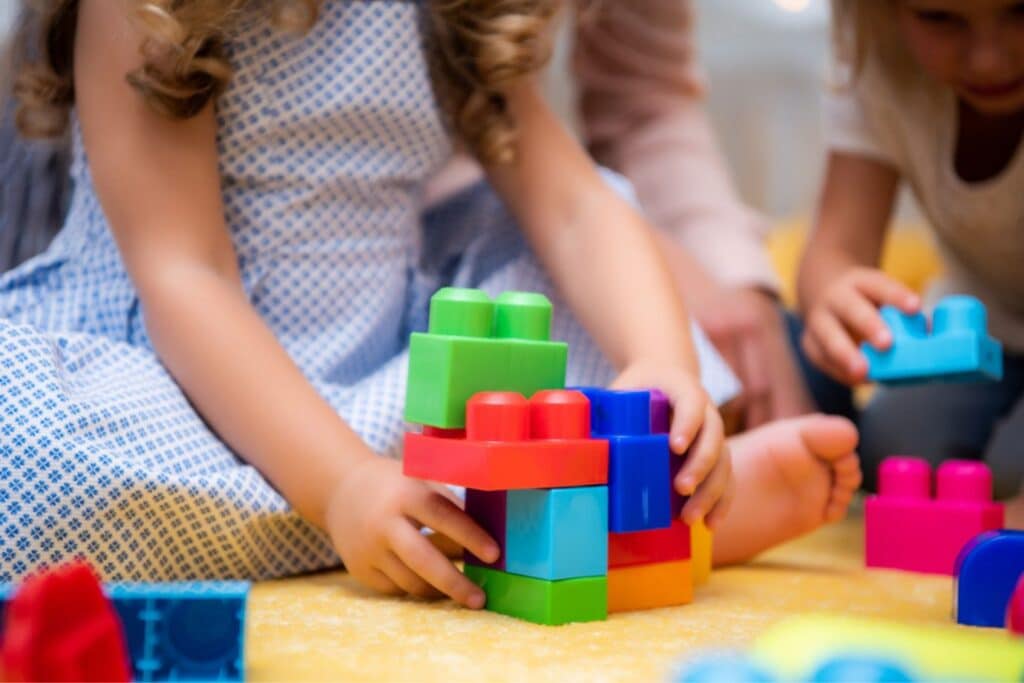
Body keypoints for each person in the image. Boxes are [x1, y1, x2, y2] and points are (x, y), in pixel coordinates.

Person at [0, 0, 858, 600]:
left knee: (553, 292)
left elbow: (574, 206)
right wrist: (340, 489)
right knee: (22, 440)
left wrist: (660, 364)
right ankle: (567, 531)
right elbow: (184, 277)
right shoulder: (153, 8)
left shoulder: (448, 9)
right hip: (178, 386)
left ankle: (609, 493)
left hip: (397, 392)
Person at [426, 0, 818, 433]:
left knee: (806, 372)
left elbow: (643, 103)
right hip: (473, 226)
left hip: (561, 198)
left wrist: (731, 280)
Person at [799, 0, 1024, 496]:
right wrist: (834, 297)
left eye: (1020, 11)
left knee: (1005, 478)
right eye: (940, 18)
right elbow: (837, 246)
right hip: (985, 329)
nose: (988, 58)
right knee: (895, 456)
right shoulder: (877, 64)